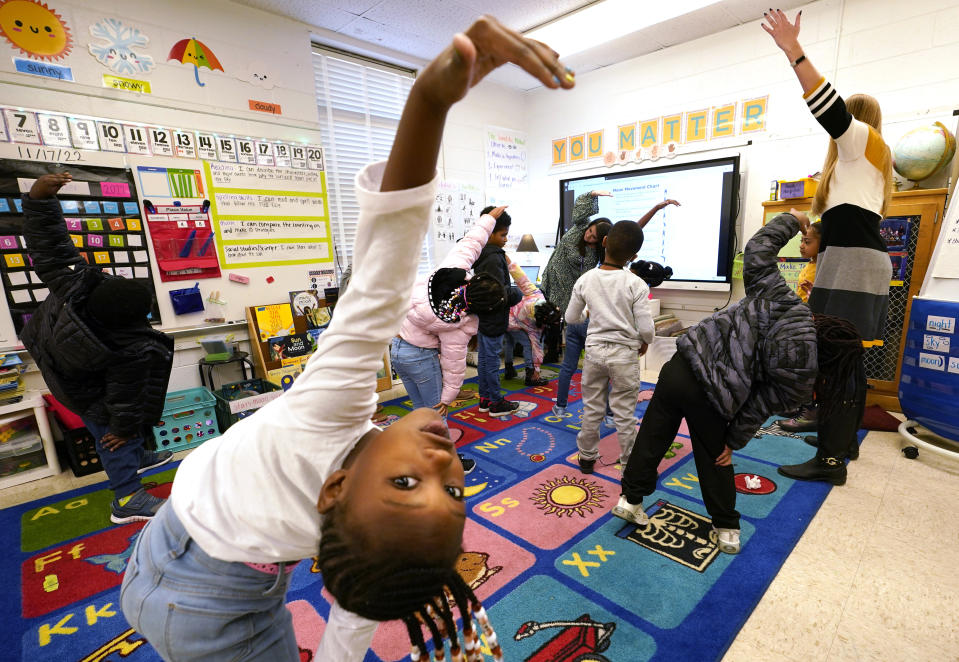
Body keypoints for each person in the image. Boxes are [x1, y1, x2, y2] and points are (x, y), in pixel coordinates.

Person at [119, 17, 575, 662]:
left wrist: (431, 99)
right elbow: (388, 278)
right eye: (452, 492)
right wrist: (430, 99)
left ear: (336, 492)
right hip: (200, 566)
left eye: (409, 487)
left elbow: (380, 273)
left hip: (205, 593)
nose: (445, 468)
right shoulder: (357, 508)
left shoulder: (327, 419)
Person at [613, 212, 827, 554]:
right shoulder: (801, 335)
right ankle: (726, 526)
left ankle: (630, 499)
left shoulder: (775, 293)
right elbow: (779, 396)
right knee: (716, 456)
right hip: (713, 395)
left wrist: (791, 219)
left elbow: (758, 249)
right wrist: (735, 438)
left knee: (652, 437)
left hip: (679, 367)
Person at [763, 9, 892, 481]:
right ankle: (840, 440)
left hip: (854, 267)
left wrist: (793, 51)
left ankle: (831, 461)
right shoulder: (862, 167)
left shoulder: (861, 142)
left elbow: (829, 108)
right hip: (857, 262)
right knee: (846, 358)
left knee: (837, 359)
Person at [20, 174, 174, 524]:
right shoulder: (129, 350)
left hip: (61, 371)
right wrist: (123, 430)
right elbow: (124, 401)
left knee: (116, 426)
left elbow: (50, 247)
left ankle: (134, 455)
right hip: (87, 390)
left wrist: (39, 197)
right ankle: (127, 497)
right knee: (113, 434)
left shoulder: (74, 289)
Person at [547, 193, 678, 416]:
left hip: (583, 314)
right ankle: (567, 407)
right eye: (589, 232)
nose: (589, 237)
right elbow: (582, 210)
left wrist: (655, 210)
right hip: (570, 306)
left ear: (605, 242)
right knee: (578, 367)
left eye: (594, 237)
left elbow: (629, 233)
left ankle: (602, 413)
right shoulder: (576, 232)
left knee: (600, 370)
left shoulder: (598, 255)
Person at [392, 208, 506, 416]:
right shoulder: (459, 324)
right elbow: (454, 367)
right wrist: (447, 399)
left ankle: (422, 448)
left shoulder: (453, 270)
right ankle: (443, 450)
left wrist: (489, 219)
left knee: (419, 412)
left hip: (397, 348)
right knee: (434, 415)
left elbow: (471, 243)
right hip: (419, 355)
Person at [566, 221, 653, 473]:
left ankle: (587, 458)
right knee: (624, 413)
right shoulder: (636, 284)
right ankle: (628, 464)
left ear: (604, 242)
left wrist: (586, 313)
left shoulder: (586, 279)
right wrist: (644, 340)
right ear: (634, 256)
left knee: (592, 408)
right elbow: (646, 329)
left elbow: (572, 318)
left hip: (594, 354)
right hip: (624, 355)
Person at [473, 206, 523, 416]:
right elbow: (497, 292)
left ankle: (485, 399)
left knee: (485, 359)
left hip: (485, 317)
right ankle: (495, 402)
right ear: (489, 232)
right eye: (502, 235)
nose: (505, 239)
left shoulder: (480, 253)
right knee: (492, 361)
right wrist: (517, 294)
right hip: (493, 318)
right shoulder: (493, 257)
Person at [502, 260, 562, 386]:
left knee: (509, 342)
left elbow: (521, 277)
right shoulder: (535, 326)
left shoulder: (537, 294)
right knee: (528, 345)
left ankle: (509, 369)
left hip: (505, 316)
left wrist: (509, 262)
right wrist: (537, 369)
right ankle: (530, 376)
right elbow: (537, 349)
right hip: (513, 323)